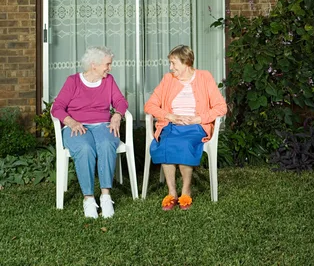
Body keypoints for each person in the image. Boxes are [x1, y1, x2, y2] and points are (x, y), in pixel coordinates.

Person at [144, 44, 227, 211]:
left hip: (195, 127)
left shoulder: (204, 77)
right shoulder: (168, 79)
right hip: (171, 125)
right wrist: (170, 116)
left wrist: (198, 119)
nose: (170, 67)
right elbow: (149, 106)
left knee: (184, 145)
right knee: (165, 143)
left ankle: (186, 190)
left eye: (174, 63)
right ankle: (172, 192)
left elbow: (221, 107)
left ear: (186, 62)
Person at [51, 46, 128, 219]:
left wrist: (117, 115)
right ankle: (88, 198)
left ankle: (106, 196)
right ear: (94, 65)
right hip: (77, 125)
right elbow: (57, 108)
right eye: (107, 64)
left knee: (107, 143)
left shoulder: (109, 81)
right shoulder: (73, 81)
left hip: (102, 124)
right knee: (85, 148)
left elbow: (121, 101)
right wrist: (70, 122)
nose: (110, 68)